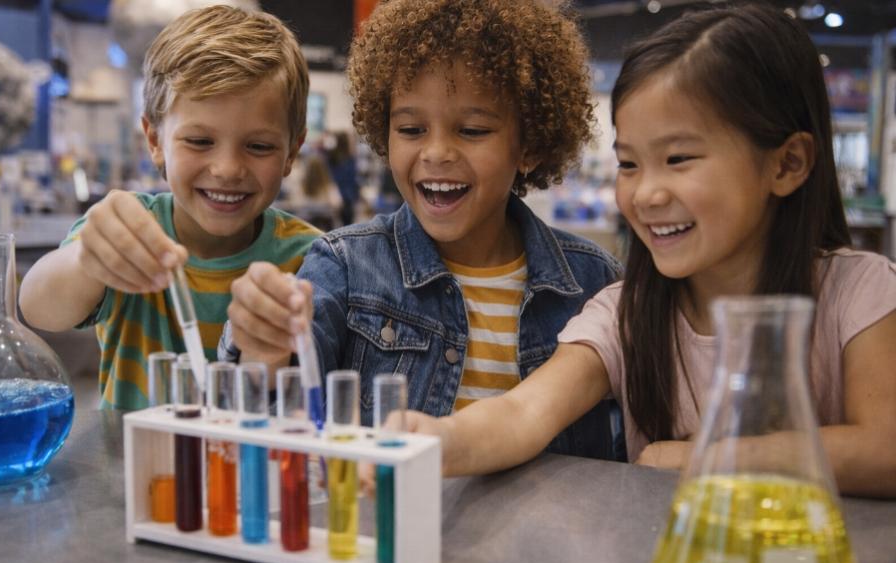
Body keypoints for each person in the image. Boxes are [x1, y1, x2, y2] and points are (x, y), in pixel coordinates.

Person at [399, 4, 896, 498]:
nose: (647, 194)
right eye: (630, 164)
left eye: (678, 158)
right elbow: (522, 413)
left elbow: (883, 449)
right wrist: (438, 440)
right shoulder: (626, 314)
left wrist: (702, 457)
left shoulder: (859, 295)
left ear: (787, 164)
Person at [221, 0, 623, 459]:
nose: (436, 152)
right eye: (411, 129)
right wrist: (264, 349)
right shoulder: (347, 266)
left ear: (528, 146)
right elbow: (274, 406)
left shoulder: (592, 284)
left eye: (472, 130)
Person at [19, 6, 319, 410]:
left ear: (291, 152)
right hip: (132, 469)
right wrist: (88, 260)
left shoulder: (312, 259)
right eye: (199, 141)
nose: (228, 169)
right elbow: (38, 308)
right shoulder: (127, 233)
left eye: (259, 146)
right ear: (155, 139)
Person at [326, 131, 359, 227]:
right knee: (348, 225)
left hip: (335, 196)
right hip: (347, 196)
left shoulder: (331, 157)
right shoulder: (350, 159)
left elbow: (330, 176)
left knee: (334, 226)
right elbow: (352, 179)